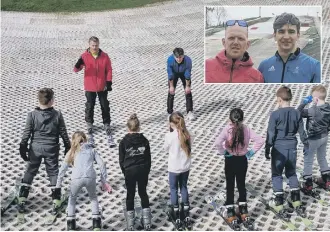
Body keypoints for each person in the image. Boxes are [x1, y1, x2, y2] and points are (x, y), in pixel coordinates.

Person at [18, 88, 71, 215]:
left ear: (39, 100)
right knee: (53, 172)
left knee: (30, 170)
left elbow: (27, 133)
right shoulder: (57, 114)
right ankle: (56, 199)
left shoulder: (32, 115)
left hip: (35, 148)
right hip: (51, 148)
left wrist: (23, 146)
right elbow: (63, 132)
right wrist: (67, 146)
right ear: (52, 101)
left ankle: (22, 198)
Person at [215, 108, 264, 225]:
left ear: (229, 119)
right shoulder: (246, 129)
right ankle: (243, 210)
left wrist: (223, 152)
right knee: (241, 184)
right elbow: (260, 140)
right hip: (242, 160)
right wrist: (251, 152)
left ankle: (231, 212)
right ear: (243, 119)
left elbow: (217, 143)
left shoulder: (227, 129)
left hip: (230, 159)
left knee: (230, 184)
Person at [56, 131, 111, 231]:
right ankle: (96, 225)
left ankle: (71, 225)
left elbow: (62, 169)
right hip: (90, 177)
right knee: (93, 198)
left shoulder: (71, 152)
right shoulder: (92, 150)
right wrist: (103, 180)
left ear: (73, 141)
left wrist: (58, 185)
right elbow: (102, 164)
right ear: (85, 139)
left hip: (76, 179)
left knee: (72, 199)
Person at [265, 86, 308, 213]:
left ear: (279, 99)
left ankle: (278, 202)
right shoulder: (296, 113)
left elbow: (271, 133)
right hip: (292, 148)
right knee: (291, 173)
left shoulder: (275, 114)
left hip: (279, 149)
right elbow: (302, 132)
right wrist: (306, 145)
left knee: (277, 174)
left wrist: (267, 148)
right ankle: (296, 200)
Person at [73, 36, 115, 147]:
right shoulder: (84, 56)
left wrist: (108, 82)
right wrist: (78, 63)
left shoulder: (104, 56)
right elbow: (76, 70)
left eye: (96, 45)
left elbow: (109, 69)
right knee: (90, 105)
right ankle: (89, 124)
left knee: (105, 105)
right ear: (89, 45)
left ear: (99, 45)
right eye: (93, 45)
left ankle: (106, 124)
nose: (95, 47)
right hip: (90, 86)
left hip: (102, 86)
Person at [258, 13, 321, 83]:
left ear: (298, 35)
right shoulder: (264, 66)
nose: (286, 37)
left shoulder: (314, 66)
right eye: (281, 31)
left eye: (291, 32)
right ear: (275, 35)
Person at [119, 114, 152, 231]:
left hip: (130, 170)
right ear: (139, 128)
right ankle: (147, 221)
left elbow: (121, 160)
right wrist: (146, 171)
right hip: (143, 169)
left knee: (130, 195)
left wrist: (125, 172)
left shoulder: (123, 142)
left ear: (127, 128)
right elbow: (148, 158)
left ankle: (130, 223)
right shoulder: (144, 140)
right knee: (143, 192)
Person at [297, 85, 330, 192]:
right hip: (324, 137)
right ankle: (326, 179)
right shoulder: (328, 107)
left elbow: (298, 113)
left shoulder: (312, 110)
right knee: (322, 157)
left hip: (312, 139)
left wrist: (304, 102)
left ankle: (308, 183)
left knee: (308, 161)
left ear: (315, 99)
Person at [164, 112, 192, 230]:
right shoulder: (187, 134)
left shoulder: (169, 136)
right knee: (184, 187)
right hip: (185, 167)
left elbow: (165, 148)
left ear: (171, 124)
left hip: (174, 168)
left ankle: (176, 211)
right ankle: (186, 210)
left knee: (174, 189)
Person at [167, 48, 195, 121]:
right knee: (171, 92)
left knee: (188, 92)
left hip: (184, 73)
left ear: (183, 56)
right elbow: (170, 74)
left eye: (180, 57)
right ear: (174, 56)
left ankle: (189, 111)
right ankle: (170, 112)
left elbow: (187, 74)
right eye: (177, 57)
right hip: (174, 74)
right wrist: (172, 86)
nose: (179, 59)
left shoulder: (188, 60)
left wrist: (187, 86)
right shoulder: (170, 60)